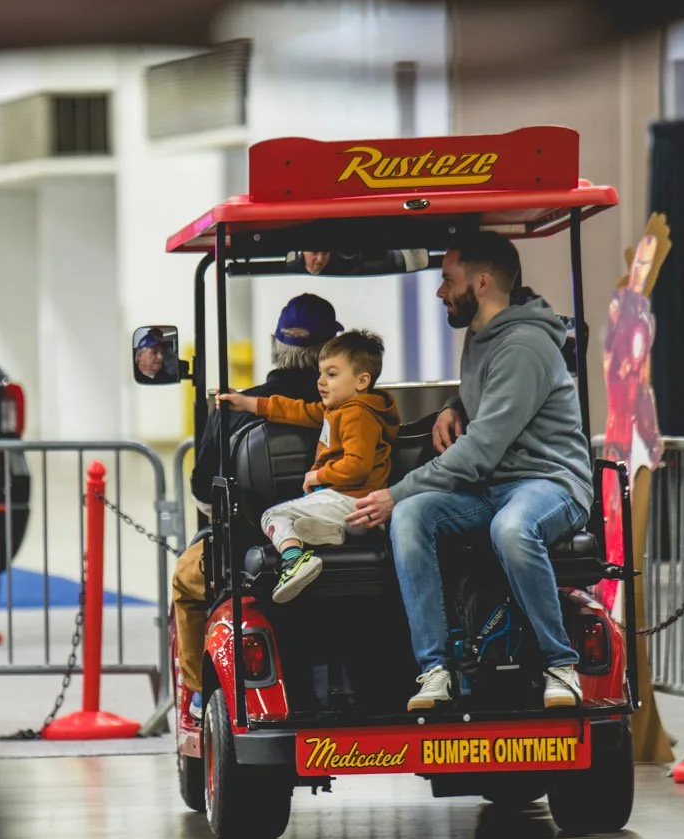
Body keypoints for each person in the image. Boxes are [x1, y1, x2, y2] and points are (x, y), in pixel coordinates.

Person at [347, 230, 592, 713]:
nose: (440, 291)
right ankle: (435, 670)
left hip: (550, 482)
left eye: (447, 280)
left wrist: (394, 491)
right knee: (413, 517)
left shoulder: (522, 344)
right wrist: (454, 405)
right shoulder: (482, 335)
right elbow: (497, 405)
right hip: (495, 484)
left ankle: (561, 665)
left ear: (481, 283)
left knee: (512, 528)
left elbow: (480, 450)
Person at [172, 293, 336, 720]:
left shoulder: (230, 411)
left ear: (274, 345)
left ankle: (194, 693)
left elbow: (204, 497)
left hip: (245, 555)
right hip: (341, 545)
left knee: (184, 582)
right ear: (331, 351)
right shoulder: (349, 410)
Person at [218, 328, 397, 603]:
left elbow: (357, 467)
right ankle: (330, 534)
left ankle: (294, 562)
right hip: (352, 515)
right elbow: (295, 410)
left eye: (332, 374)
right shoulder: (339, 410)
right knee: (301, 524)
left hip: (350, 502)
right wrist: (248, 402)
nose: (321, 381)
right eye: (321, 373)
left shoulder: (357, 415)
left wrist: (318, 475)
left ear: (362, 381)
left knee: (273, 516)